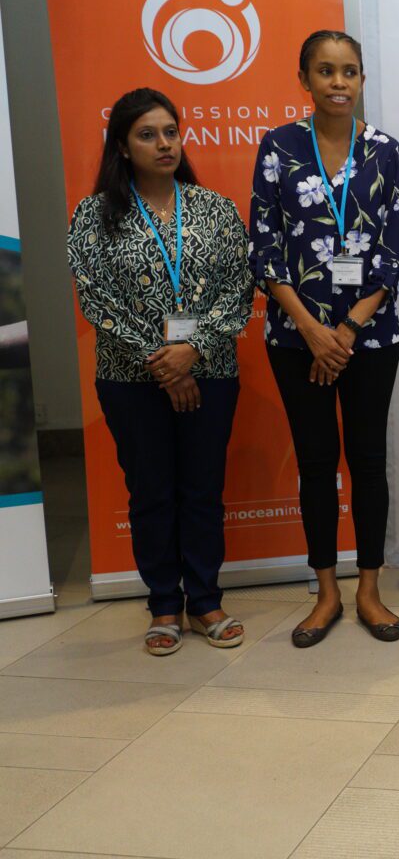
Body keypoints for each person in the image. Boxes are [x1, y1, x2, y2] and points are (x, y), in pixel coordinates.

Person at [68, 88, 253, 655]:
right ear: (123, 147)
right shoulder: (94, 214)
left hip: (211, 370)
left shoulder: (215, 209)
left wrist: (192, 350)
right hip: (130, 380)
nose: (164, 143)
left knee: (202, 490)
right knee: (151, 492)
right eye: (147, 135)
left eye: (170, 132)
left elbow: (239, 287)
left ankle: (205, 600)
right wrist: (166, 364)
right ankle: (164, 605)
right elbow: (96, 300)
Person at [249, 30, 399, 648]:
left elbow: (395, 252)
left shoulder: (385, 151)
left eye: (349, 71)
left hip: (369, 338)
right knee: (316, 464)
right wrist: (313, 331)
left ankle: (369, 589)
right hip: (296, 340)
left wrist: (344, 331)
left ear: (363, 79)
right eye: (325, 71)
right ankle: (326, 592)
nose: (339, 82)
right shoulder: (279, 147)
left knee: (367, 462)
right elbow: (264, 248)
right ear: (305, 79)